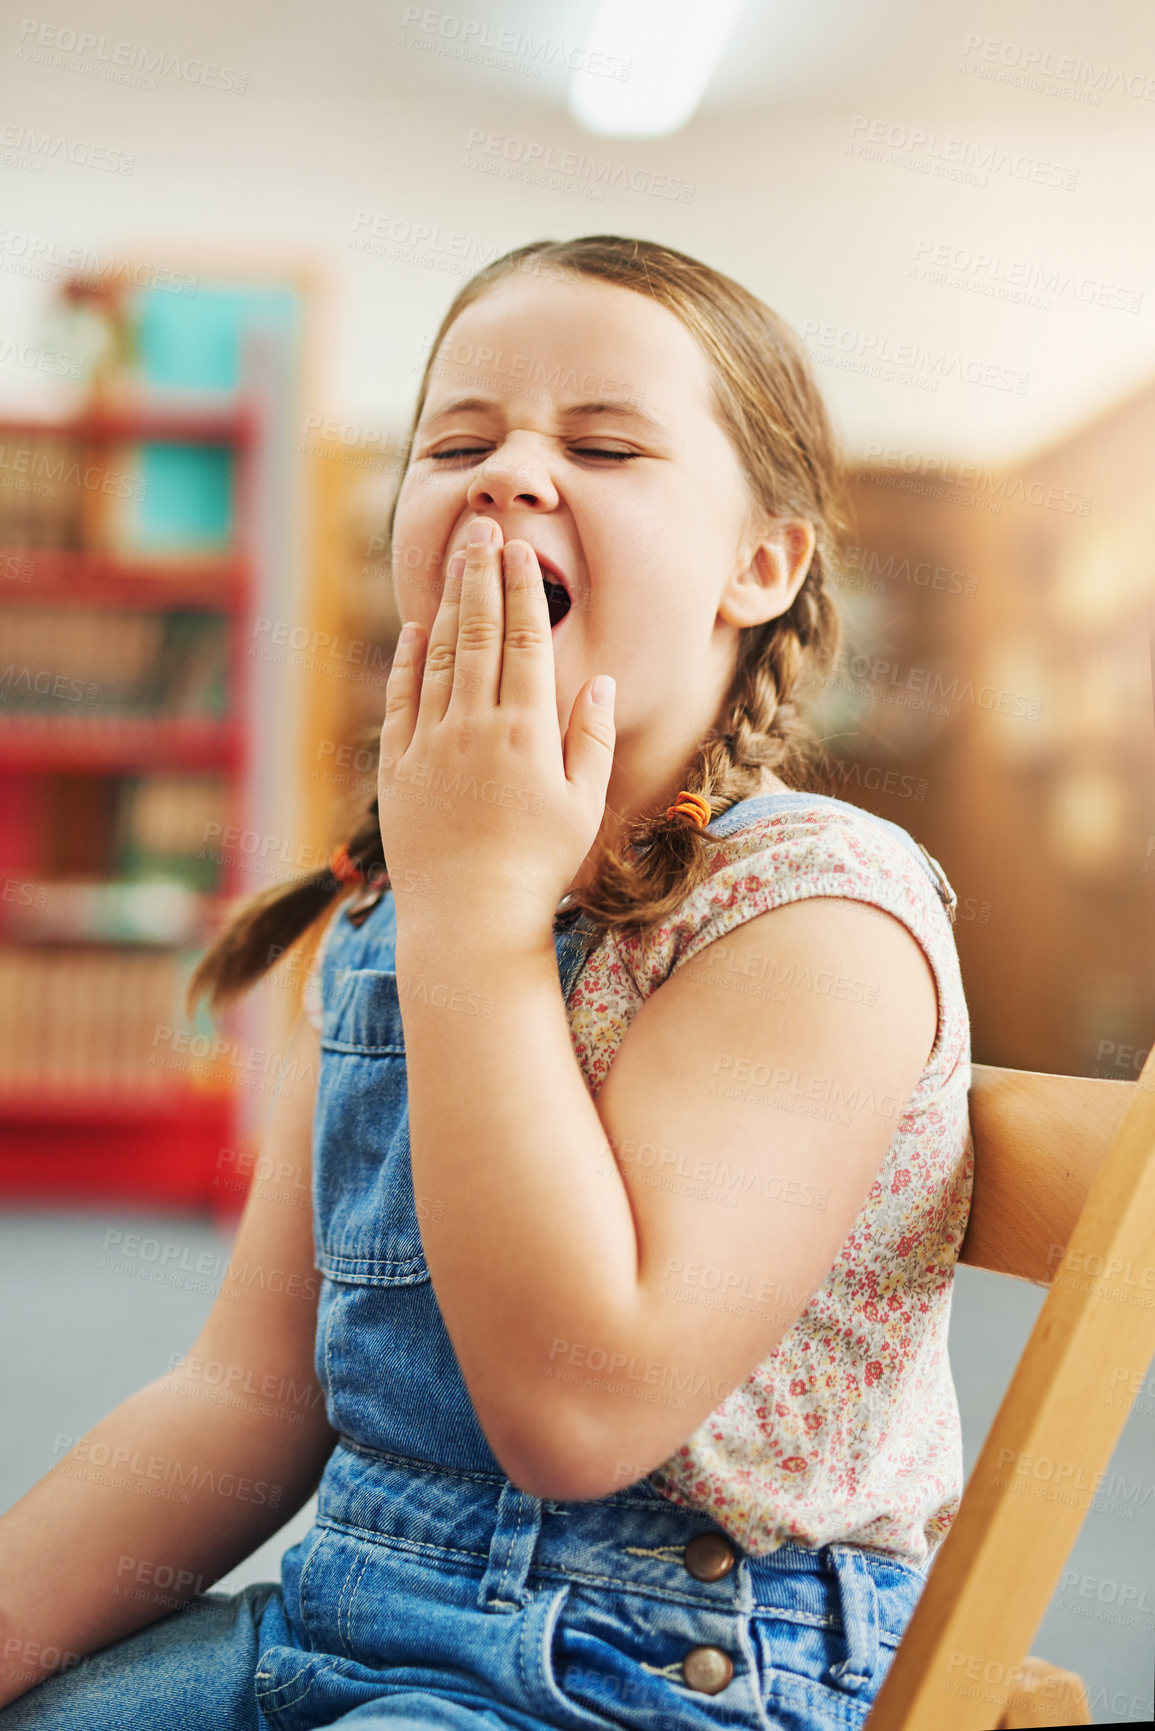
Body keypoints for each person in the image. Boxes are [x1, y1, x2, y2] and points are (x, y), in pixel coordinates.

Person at [0, 235, 972, 1730]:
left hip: (657, 1668)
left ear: (761, 564)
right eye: (458, 441)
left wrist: (477, 910)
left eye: (602, 444)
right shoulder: (400, 913)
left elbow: (578, 1412)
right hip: (348, 1614)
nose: (509, 474)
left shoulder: (817, 916)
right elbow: (248, 1399)